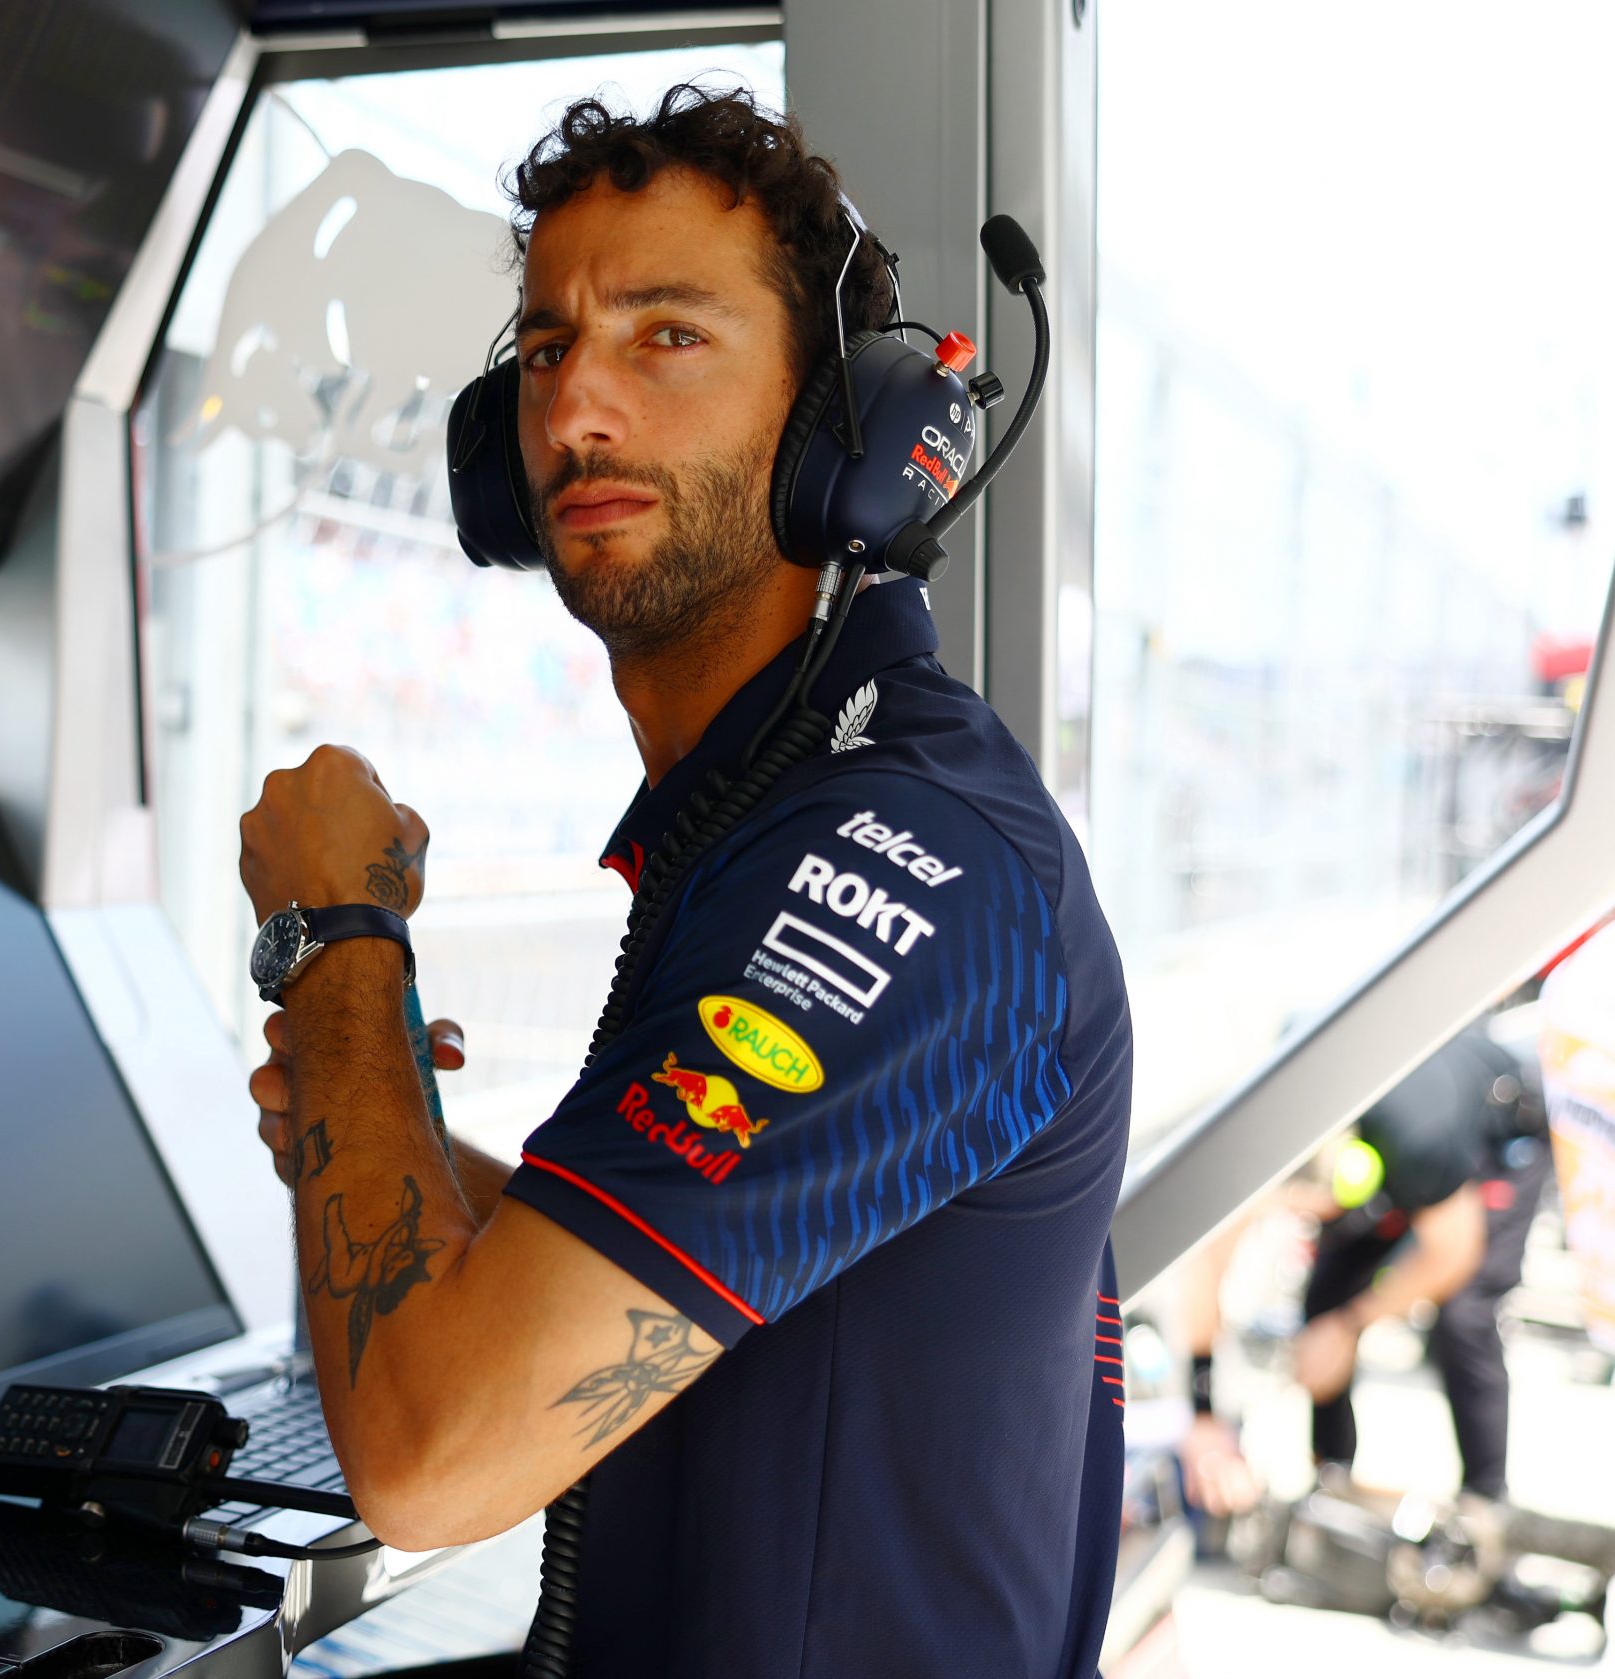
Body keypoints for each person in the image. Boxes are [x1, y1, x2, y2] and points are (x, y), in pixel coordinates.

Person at [234, 85, 1133, 1677]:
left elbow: (431, 1454)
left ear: (838, 434)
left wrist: (338, 948)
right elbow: (691, 1301)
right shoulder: (773, 812)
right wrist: (386, 1139)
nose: (575, 407)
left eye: (665, 335)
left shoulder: (891, 864)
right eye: (543, 348)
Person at [1176, 1023, 1552, 1519]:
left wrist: (1352, 1324)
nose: (1311, 1227)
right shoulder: (1253, 1135)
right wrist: (1202, 1416)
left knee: (1464, 1315)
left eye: (1319, 1216)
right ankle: (1331, 1480)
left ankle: (1487, 1503)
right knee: (1324, 1299)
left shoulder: (1419, 1142)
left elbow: (1451, 1257)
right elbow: (1206, 1267)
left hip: (1499, 1134)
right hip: (1383, 1143)